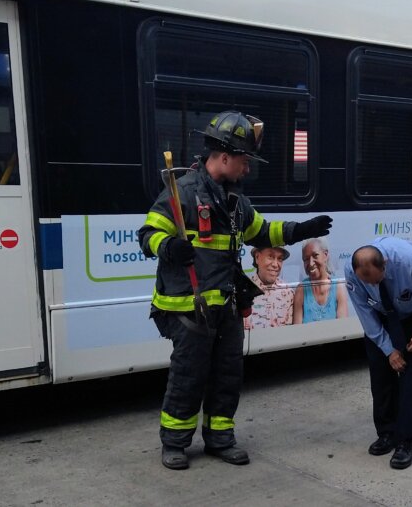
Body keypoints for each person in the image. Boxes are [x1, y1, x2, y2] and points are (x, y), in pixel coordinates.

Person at [138, 111, 332, 470]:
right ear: (224, 157)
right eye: (244, 161)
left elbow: (264, 233)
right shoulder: (182, 193)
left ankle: (220, 439)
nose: (247, 169)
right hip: (189, 308)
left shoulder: (236, 202)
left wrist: (303, 228)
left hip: (226, 307)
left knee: (228, 375)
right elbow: (147, 235)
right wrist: (167, 246)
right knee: (189, 376)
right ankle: (176, 443)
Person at [344, 237, 412, 470]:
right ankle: (387, 433)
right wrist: (389, 350)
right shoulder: (352, 274)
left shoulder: (408, 261)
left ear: (386, 265)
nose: (371, 285)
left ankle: (405, 441)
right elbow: (365, 314)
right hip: (381, 317)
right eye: (365, 281)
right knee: (381, 378)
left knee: (411, 378)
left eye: (376, 279)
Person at [293, 237, 348, 323]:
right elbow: (296, 331)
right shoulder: (301, 289)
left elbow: (343, 330)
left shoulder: (338, 288)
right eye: (306, 259)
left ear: (325, 255)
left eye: (315, 255)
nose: (310, 263)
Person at [246, 246, 294, 329]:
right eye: (270, 257)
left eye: (280, 259)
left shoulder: (288, 293)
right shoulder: (243, 290)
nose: (275, 264)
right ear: (257, 257)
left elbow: (291, 333)